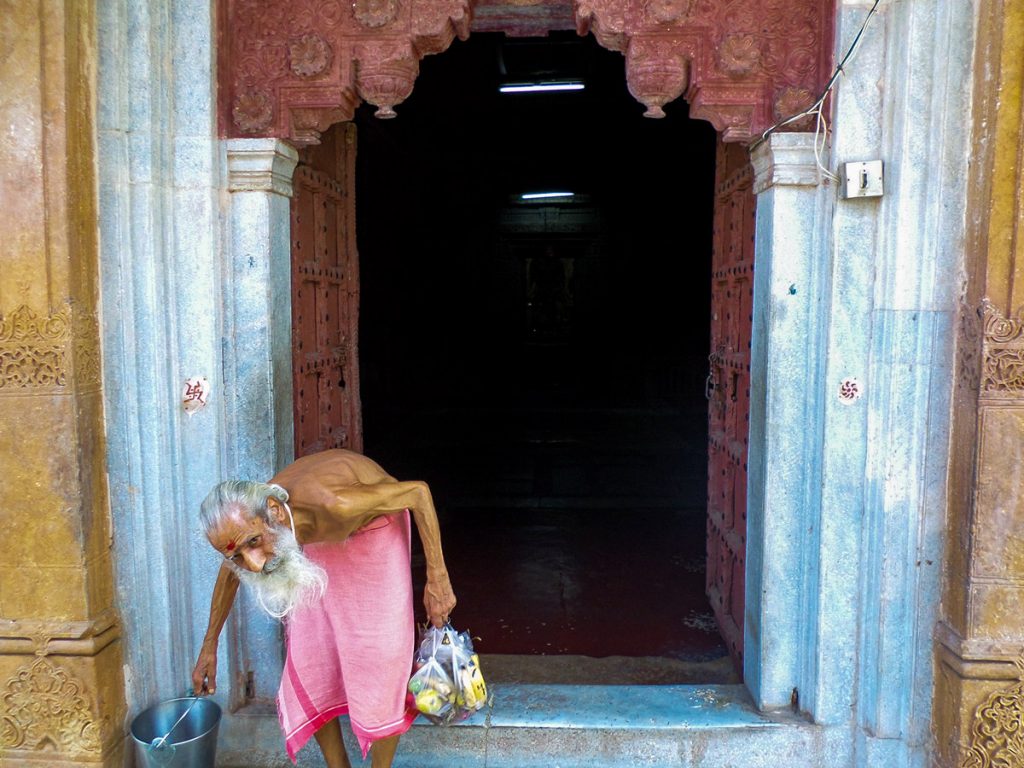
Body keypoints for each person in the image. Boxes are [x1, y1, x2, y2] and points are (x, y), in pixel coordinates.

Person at [190, 449, 457, 768]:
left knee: (381, 660)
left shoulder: (337, 504)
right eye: (238, 555)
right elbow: (230, 571)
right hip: (311, 534)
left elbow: (418, 492)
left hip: (372, 533)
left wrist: (438, 578)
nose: (255, 564)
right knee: (311, 656)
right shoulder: (254, 527)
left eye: (253, 543)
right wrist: (209, 647)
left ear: (273, 511)